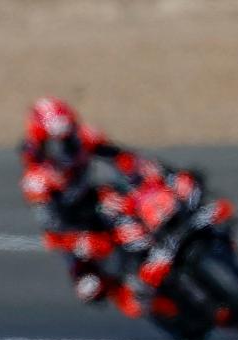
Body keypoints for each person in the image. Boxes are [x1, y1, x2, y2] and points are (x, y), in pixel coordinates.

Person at [17, 97, 150, 316]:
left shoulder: (85, 136)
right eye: (56, 144)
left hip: (95, 200)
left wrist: (141, 174)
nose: (65, 149)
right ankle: (123, 291)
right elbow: (51, 234)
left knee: (136, 208)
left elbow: (123, 157)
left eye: (68, 139)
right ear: (42, 145)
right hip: (72, 228)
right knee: (90, 288)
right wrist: (79, 241)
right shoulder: (37, 181)